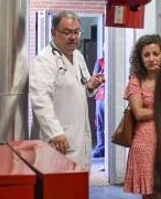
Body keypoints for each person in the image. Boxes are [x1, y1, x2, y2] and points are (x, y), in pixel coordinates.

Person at [30, 11, 104, 169]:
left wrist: (90, 86)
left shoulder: (78, 56)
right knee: (56, 188)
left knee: (78, 186)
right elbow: (40, 99)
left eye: (77, 32)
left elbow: (79, 88)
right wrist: (55, 132)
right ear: (53, 33)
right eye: (67, 32)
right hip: (57, 139)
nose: (73, 37)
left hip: (78, 135)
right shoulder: (45, 60)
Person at [124, 34, 161, 198]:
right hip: (145, 142)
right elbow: (139, 113)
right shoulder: (136, 81)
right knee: (151, 194)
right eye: (146, 55)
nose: (151, 59)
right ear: (140, 58)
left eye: (156, 54)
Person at [92, 54, 106, 158]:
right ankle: (101, 148)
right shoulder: (100, 62)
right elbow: (94, 78)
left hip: (109, 97)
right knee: (100, 124)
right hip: (100, 97)